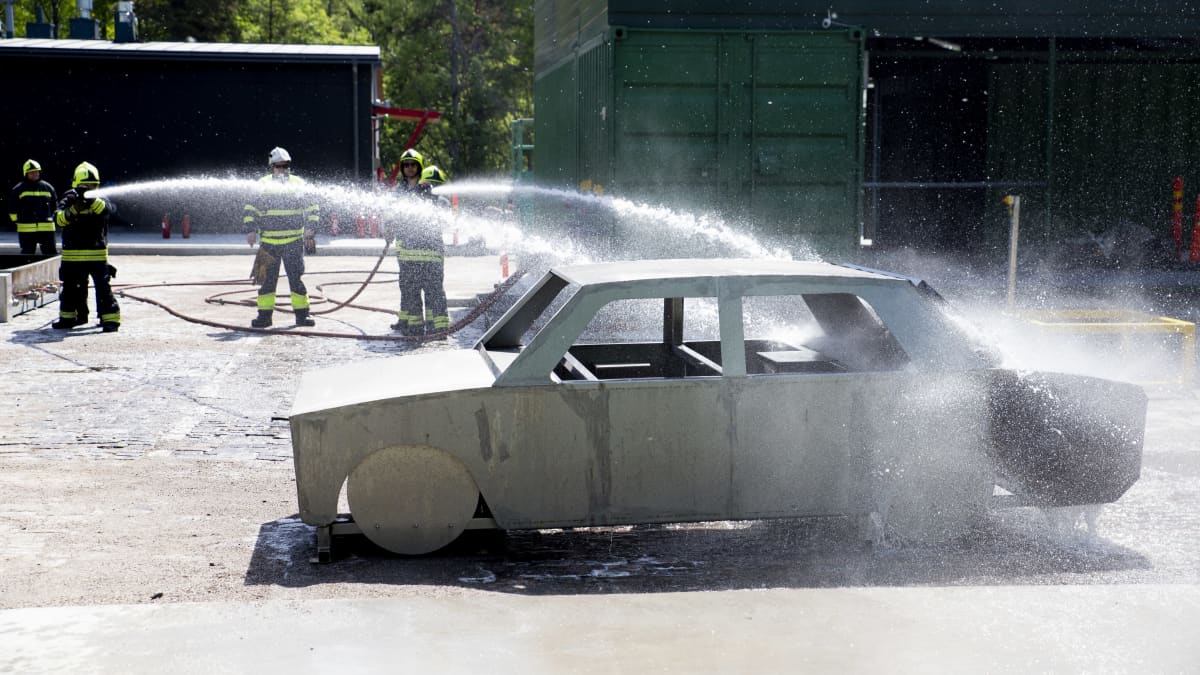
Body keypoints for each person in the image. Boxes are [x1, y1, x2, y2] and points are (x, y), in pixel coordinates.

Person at [242, 147, 319, 328]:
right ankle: (264, 317)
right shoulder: (261, 184)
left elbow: (312, 207)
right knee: (265, 282)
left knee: (296, 279)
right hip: (267, 243)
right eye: (278, 167)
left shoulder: (299, 184)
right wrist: (250, 230)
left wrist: (311, 229)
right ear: (271, 166)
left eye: (285, 166)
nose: (282, 170)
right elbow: (250, 209)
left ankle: (302, 316)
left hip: (293, 241)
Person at [52, 161, 120, 332]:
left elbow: (108, 211)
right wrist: (74, 208)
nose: (89, 187)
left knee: (103, 289)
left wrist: (92, 202)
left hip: (96, 255)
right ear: (77, 184)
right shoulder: (69, 198)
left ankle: (110, 320)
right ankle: (70, 317)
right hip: (72, 256)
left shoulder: (100, 198)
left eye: (92, 185)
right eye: (85, 185)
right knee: (70, 289)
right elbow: (58, 219)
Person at [390, 163, 450, 336]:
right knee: (425, 292)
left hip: (416, 258)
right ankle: (433, 327)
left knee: (419, 291)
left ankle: (427, 327)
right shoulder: (420, 201)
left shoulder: (433, 202)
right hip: (423, 258)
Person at [10, 159, 59, 255]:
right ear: (26, 173)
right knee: (27, 255)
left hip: (47, 229)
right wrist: (17, 221)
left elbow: (55, 207)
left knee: (50, 254)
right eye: (31, 172)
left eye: (36, 172)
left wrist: (53, 218)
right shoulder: (18, 189)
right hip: (26, 230)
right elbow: (12, 208)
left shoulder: (48, 187)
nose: (35, 174)